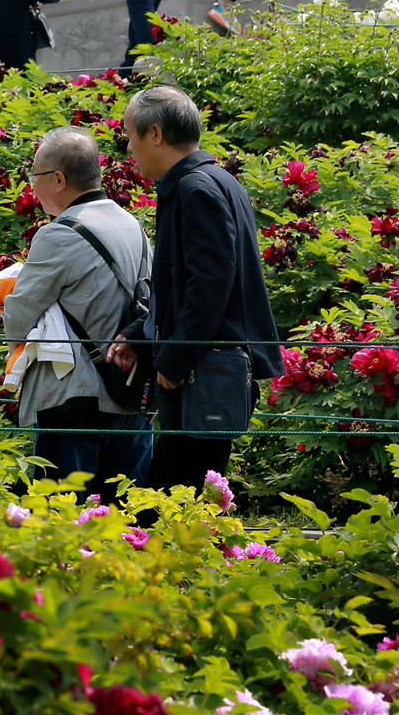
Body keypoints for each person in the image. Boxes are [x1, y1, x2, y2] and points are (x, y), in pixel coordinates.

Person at [107, 86, 283, 498]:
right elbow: (183, 284)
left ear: (155, 134)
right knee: (183, 499)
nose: (128, 146)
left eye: (130, 134)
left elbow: (210, 286)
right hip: (204, 370)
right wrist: (140, 335)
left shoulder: (194, 189)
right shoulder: (214, 181)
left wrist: (173, 358)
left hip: (201, 375)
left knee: (175, 503)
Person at [0, 127, 153, 502]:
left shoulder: (57, 234)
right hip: (129, 394)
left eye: (34, 177)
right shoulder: (132, 224)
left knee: (63, 524)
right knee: (124, 519)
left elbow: (18, 319)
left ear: (58, 179)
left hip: (72, 400)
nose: (31, 188)